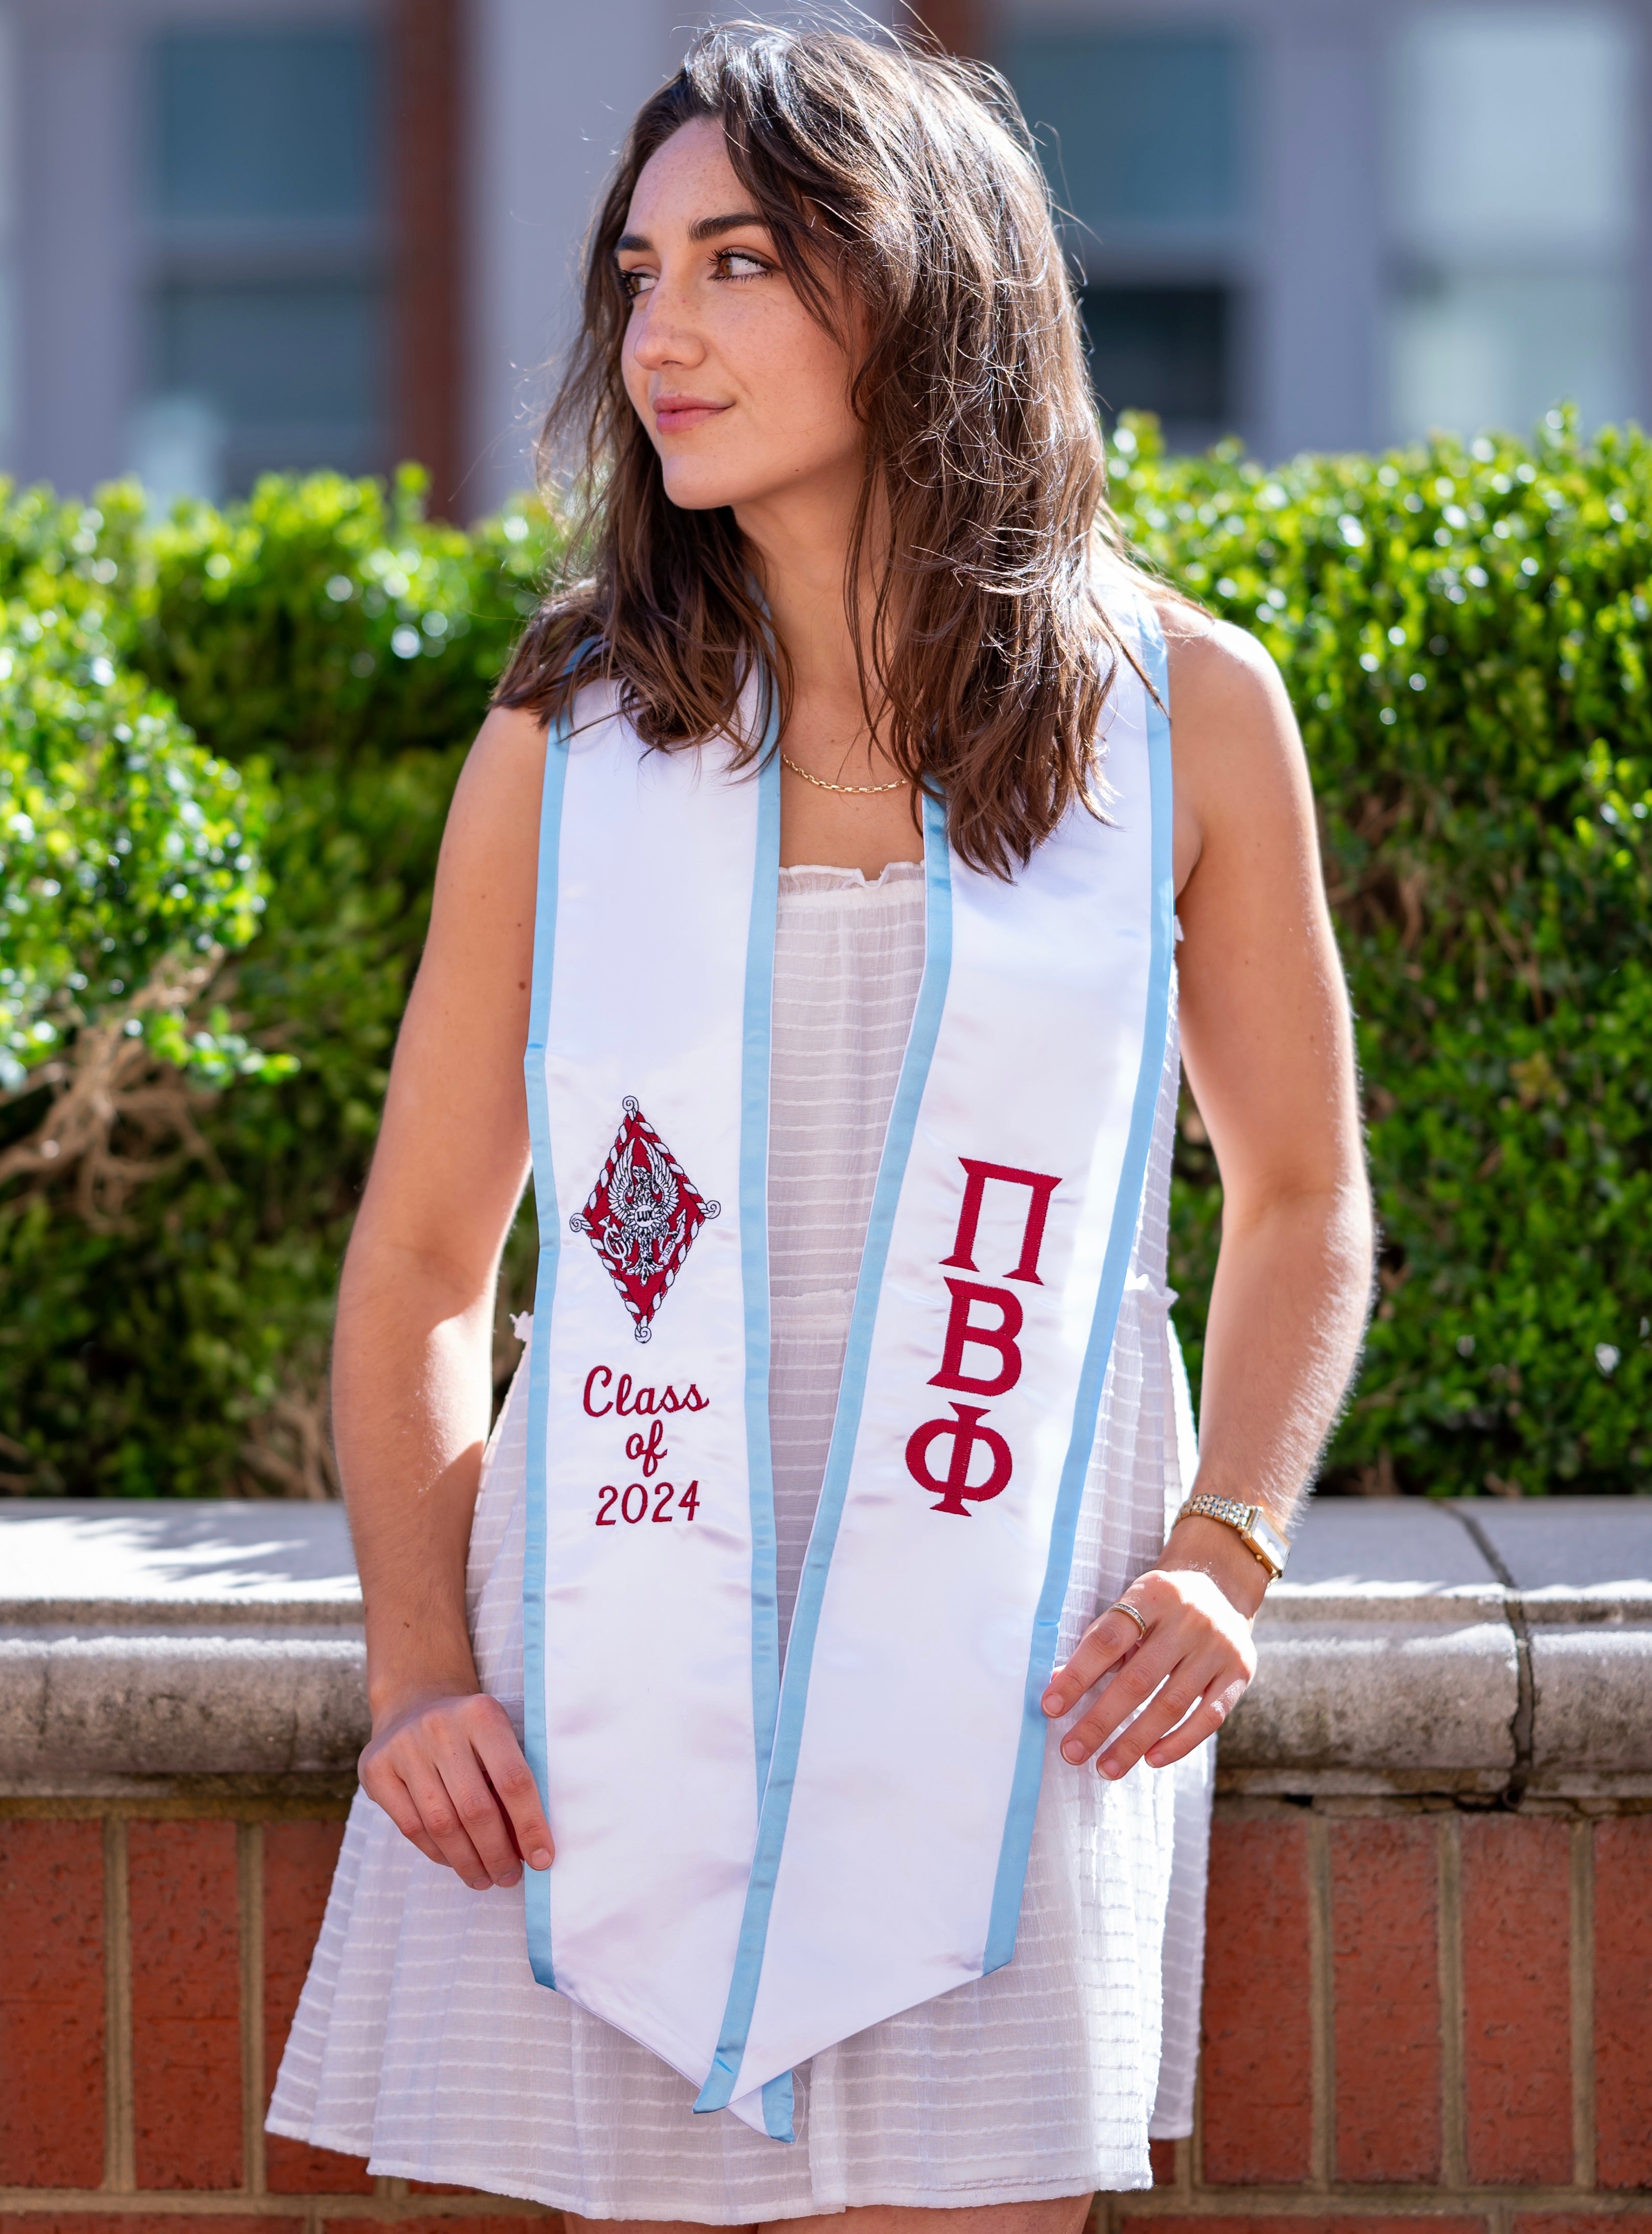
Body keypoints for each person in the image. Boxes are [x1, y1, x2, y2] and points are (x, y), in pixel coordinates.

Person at [268, 23, 1372, 2233]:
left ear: (919, 283)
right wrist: (417, 1671)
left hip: (994, 1669)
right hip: (602, 1670)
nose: (657, 333)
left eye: (738, 262)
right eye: (637, 271)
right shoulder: (575, 735)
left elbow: (1303, 1196)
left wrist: (1224, 1544)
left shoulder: (1183, 721)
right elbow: (419, 1265)